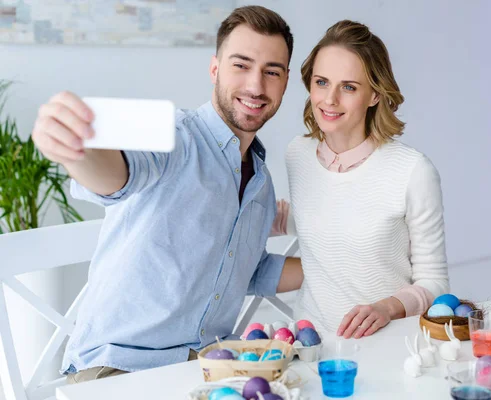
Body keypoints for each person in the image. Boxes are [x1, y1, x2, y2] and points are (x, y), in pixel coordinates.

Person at [31, 5, 303, 383]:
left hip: (206, 371)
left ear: (285, 81)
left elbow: (248, 269)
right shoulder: (176, 137)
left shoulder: (261, 180)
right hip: (118, 369)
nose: (256, 86)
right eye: (241, 65)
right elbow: (118, 176)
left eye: (271, 72)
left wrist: (339, 268)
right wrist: (78, 150)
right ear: (215, 69)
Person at [283, 20, 450, 339]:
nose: (329, 99)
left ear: (374, 94)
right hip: (308, 338)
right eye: (321, 82)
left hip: (384, 342)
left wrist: (385, 308)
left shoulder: (413, 171)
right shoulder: (297, 155)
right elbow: (327, 222)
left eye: (348, 87)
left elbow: (435, 283)